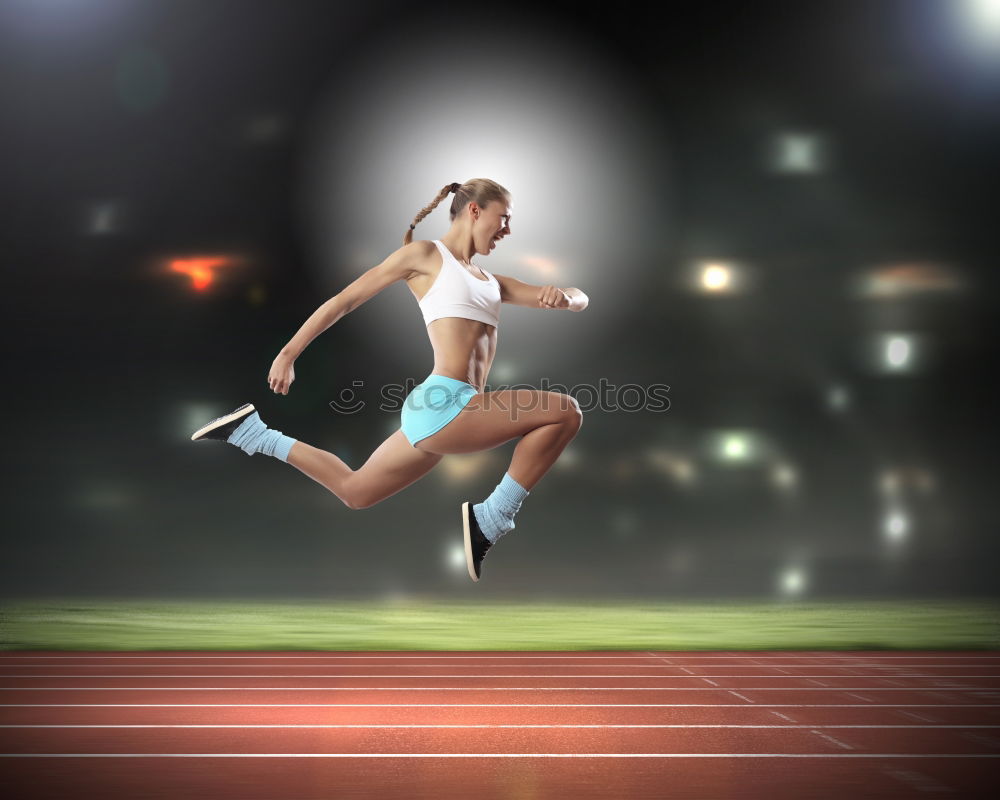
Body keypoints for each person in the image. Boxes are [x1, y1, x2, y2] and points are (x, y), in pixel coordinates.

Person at [191, 178, 588, 581]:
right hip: (445, 404)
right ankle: (493, 516)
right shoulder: (425, 256)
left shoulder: (491, 282)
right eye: (502, 218)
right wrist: (288, 353)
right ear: (474, 211)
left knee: (355, 491)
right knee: (564, 412)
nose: (507, 229)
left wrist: (566, 297)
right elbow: (344, 302)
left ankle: (253, 433)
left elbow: (575, 297)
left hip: (450, 412)